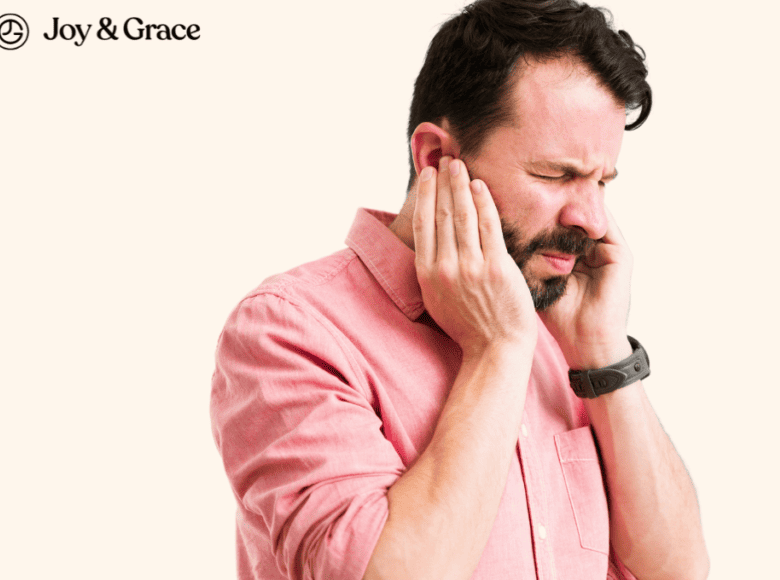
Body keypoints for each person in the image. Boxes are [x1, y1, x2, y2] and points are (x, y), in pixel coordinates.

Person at [211, 1, 708, 579]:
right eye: (556, 175)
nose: (593, 220)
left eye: (601, 181)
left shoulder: (564, 325)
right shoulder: (288, 332)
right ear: (436, 158)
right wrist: (497, 349)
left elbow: (678, 573)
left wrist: (603, 356)